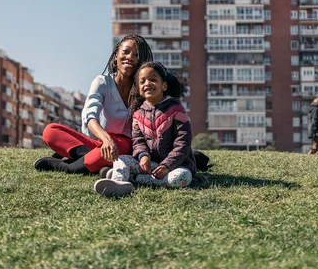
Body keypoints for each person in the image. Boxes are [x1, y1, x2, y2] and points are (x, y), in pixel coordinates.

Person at [33, 34, 154, 174]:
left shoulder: (143, 90)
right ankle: (94, 160)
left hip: (124, 145)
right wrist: (106, 139)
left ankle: (66, 166)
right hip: (99, 141)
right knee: (50, 131)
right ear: (116, 55)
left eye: (136, 55)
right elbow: (90, 116)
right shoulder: (102, 82)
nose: (130, 57)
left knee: (115, 148)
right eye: (126, 52)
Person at [94, 61, 196, 197]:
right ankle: (118, 183)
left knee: (183, 177)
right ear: (139, 89)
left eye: (153, 80)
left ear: (164, 86)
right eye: (142, 82)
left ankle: (133, 179)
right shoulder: (137, 115)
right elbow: (138, 141)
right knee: (121, 159)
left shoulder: (177, 110)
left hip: (175, 166)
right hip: (150, 166)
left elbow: (182, 143)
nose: (147, 84)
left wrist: (167, 165)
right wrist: (143, 157)